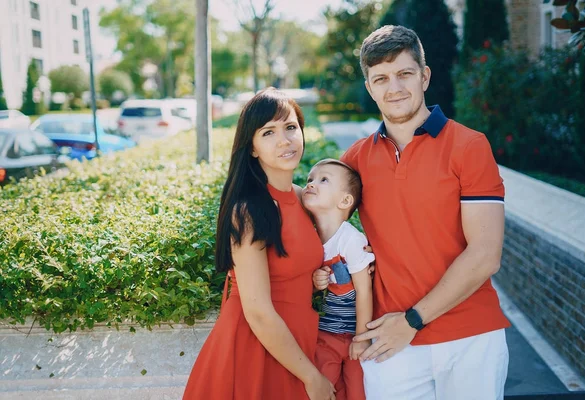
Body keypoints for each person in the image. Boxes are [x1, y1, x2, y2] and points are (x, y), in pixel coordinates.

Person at [317, 25, 511, 400]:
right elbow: (314, 212)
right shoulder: (356, 159)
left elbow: (486, 254)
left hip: (469, 336)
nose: (395, 88)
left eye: (405, 73)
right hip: (389, 342)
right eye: (381, 79)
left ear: (425, 76)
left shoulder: (469, 146)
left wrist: (412, 321)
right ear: (370, 88)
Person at [183, 88, 336, 400]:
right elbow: (258, 312)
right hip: (257, 347)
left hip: (296, 343)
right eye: (268, 132)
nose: (284, 140)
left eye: (290, 127)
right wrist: (311, 377)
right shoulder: (249, 209)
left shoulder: (302, 197)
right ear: (251, 147)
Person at [302, 159, 375, 400]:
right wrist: (315, 280)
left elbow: (364, 291)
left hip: (354, 335)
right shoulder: (308, 238)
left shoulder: (351, 241)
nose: (312, 184)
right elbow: (311, 295)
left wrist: (361, 339)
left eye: (323, 180)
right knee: (325, 390)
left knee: (357, 391)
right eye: (310, 179)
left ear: (344, 201)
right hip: (325, 337)